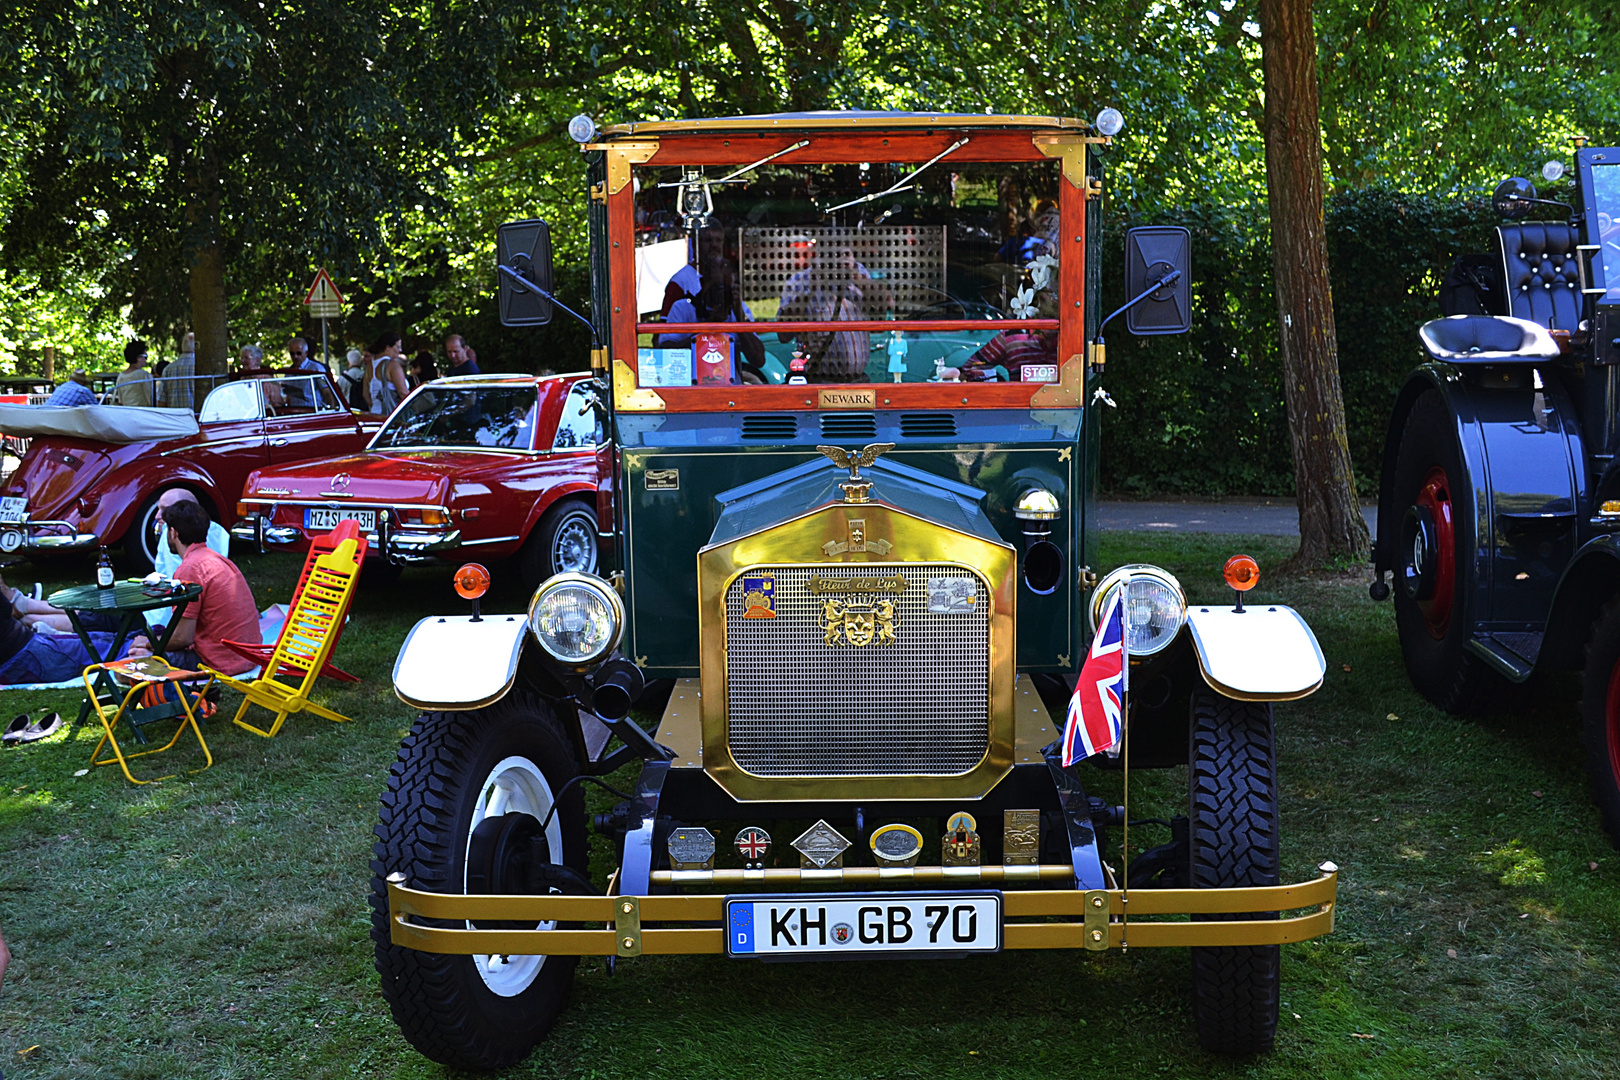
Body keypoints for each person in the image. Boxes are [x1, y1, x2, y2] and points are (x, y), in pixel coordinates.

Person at [128, 500, 258, 676]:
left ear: (173, 532)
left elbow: (183, 638)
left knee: (128, 667)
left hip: (216, 661)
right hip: (247, 656)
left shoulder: (190, 568)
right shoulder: (218, 560)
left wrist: (148, 643)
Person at [777, 241, 881, 383]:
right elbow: (783, 335)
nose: (835, 262)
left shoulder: (858, 275)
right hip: (819, 379)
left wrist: (853, 274)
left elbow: (887, 304)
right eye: (829, 255)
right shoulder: (799, 281)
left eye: (842, 254)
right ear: (817, 256)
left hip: (857, 381)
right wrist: (810, 288)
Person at [371, 331, 411, 415]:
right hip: (391, 415)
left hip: (374, 412)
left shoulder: (370, 365)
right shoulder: (392, 365)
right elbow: (403, 392)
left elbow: (365, 394)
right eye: (398, 347)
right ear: (387, 347)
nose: (400, 350)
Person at [158, 333, 196, 411]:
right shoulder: (201, 367)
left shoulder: (168, 369)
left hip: (176, 418)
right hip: (198, 416)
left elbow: (162, 401)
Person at [115, 340, 154, 406]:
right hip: (142, 412)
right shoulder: (143, 375)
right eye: (145, 356)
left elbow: (120, 400)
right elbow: (151, 397)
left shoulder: (121, 376)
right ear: (138, 358)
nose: (146, 360)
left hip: (127, 413)